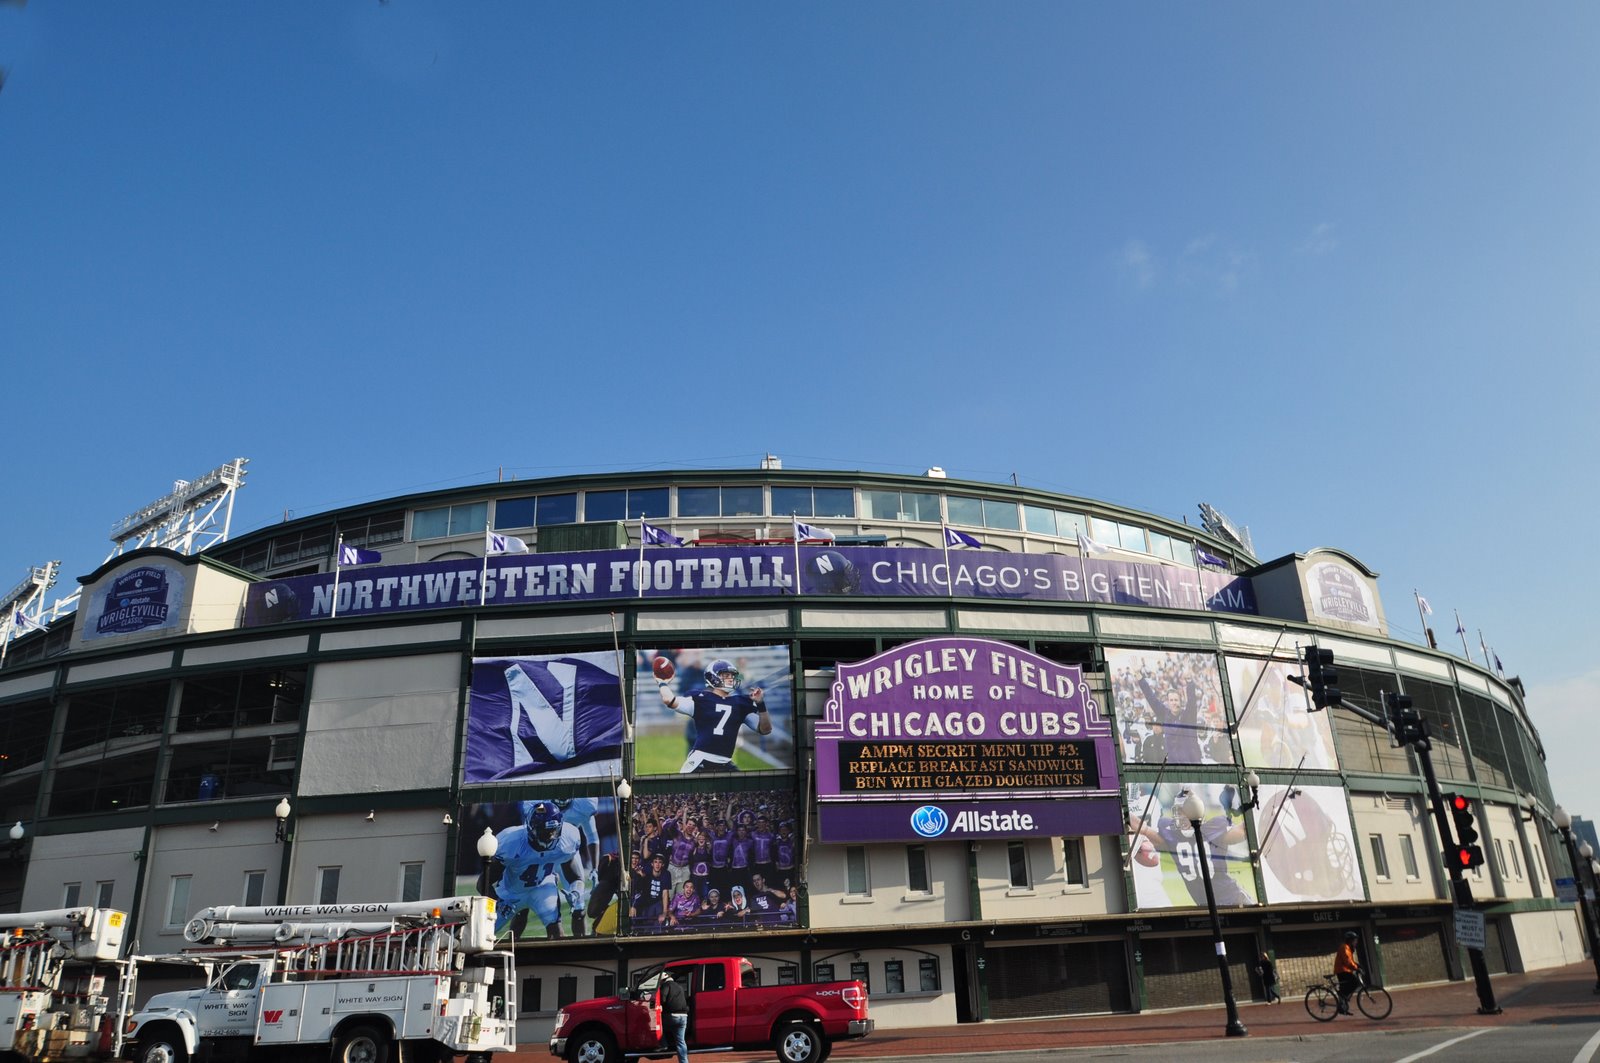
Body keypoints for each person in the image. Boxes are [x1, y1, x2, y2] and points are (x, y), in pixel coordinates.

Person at [658, 659, 772, 773]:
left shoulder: (739, 703)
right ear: (713, 677)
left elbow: (765, 729)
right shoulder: (701, 698)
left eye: (732, 676)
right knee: (686, 789)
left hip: (725, 763)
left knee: (743, 788)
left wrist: (761, 704)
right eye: (726, 675)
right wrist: (662, 682)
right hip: (701, 760)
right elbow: (669, 699)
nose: (730, 678)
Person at [658, 972, 690, 1063]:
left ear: (663, 980)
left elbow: (662, 998)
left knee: (658, 1025)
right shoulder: (680, 987)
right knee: (681, 1042)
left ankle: (663, 1044)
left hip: (671, 1016)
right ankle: (684, 1061)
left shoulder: (666, 986)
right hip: (684, 1016)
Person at [1334, 931, 1362, 1013]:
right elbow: (1347, 961)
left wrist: (1357, 965)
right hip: (1342, 970)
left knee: (1345, 988)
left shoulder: (1349, 948)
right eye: (1355, 940)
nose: (1356, 942)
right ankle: (1342, 997)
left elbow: (1350, 960)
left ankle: (1342, 1007)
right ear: (1350, 940)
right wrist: (1356, 967)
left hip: (1345, 970)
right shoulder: (1344, 947)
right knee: (1355, 982)